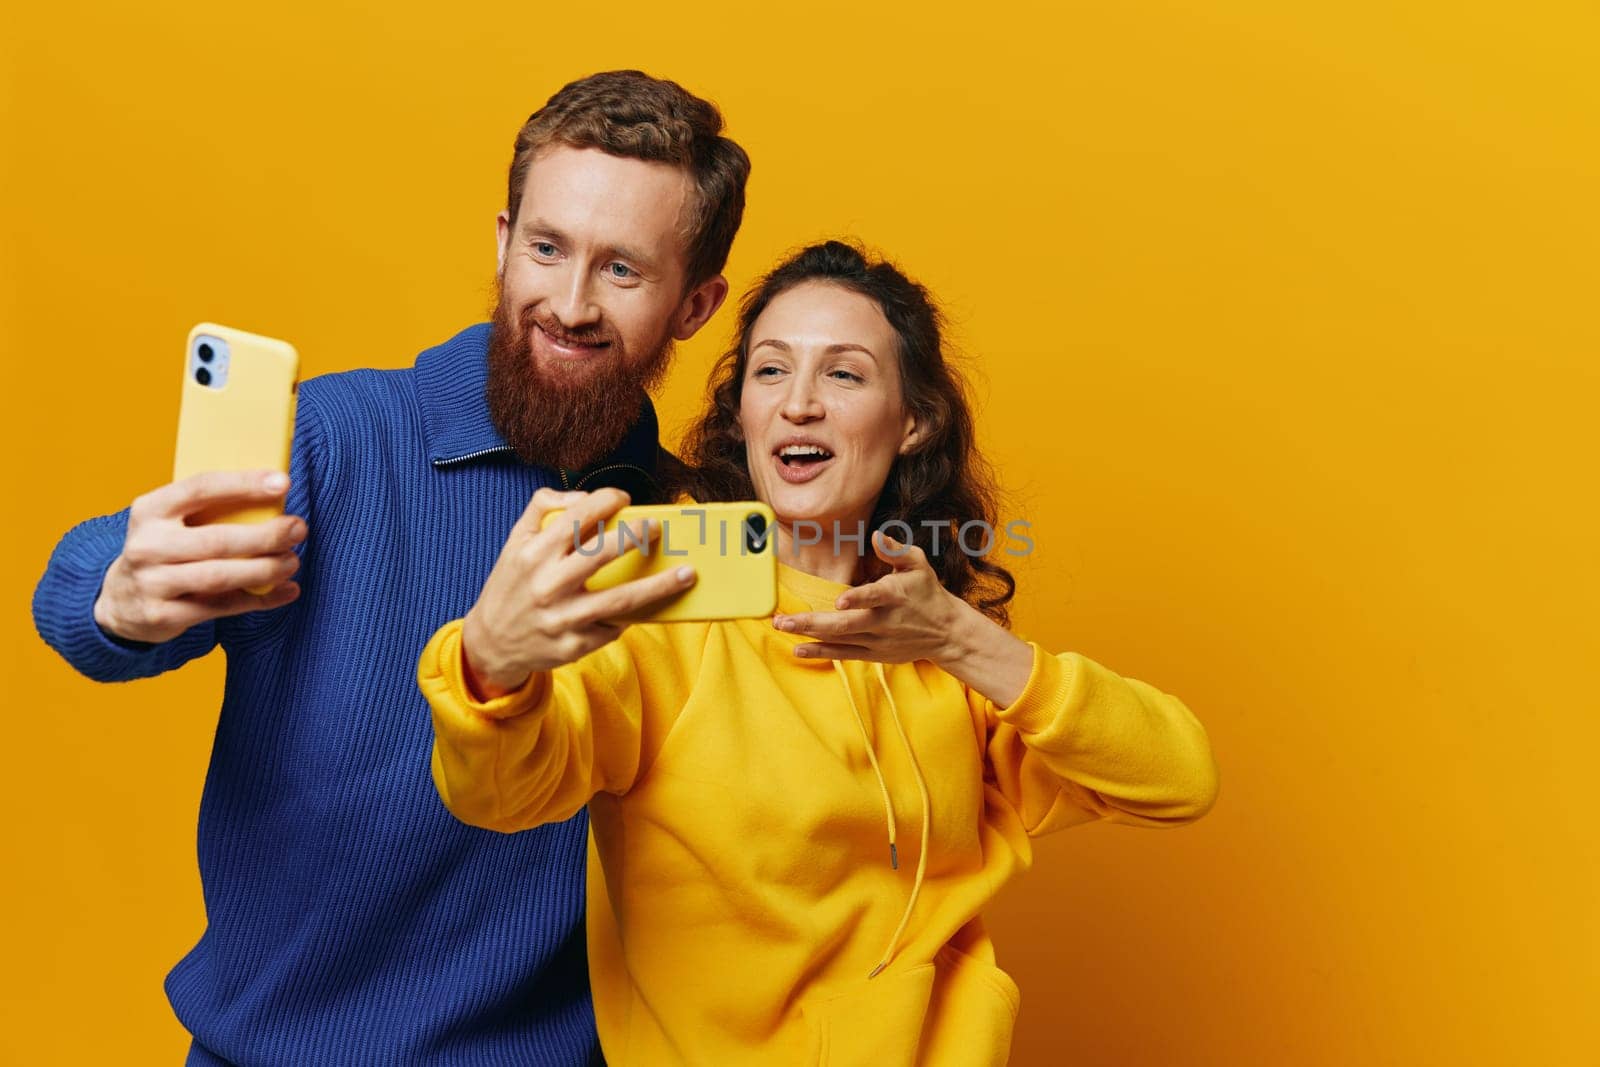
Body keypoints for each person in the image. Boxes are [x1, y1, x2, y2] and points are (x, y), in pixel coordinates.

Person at [31, 70, 750, 1065]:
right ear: (503, 243)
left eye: (622, 270)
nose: (570, 303)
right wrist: (112, 594)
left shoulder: (690, 534)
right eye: (546, 249)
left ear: (695, 303)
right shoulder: (337, 438)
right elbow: (83, 591)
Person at [421, 240, 1221, 1065]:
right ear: (743, 416)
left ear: (915, 420)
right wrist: (492, 664)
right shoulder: (666, 615)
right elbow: (498, 793)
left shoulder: (936, 642)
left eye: (843, 373)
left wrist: (957, 637)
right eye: (771, 372)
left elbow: (1179, 778)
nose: (799, 402)